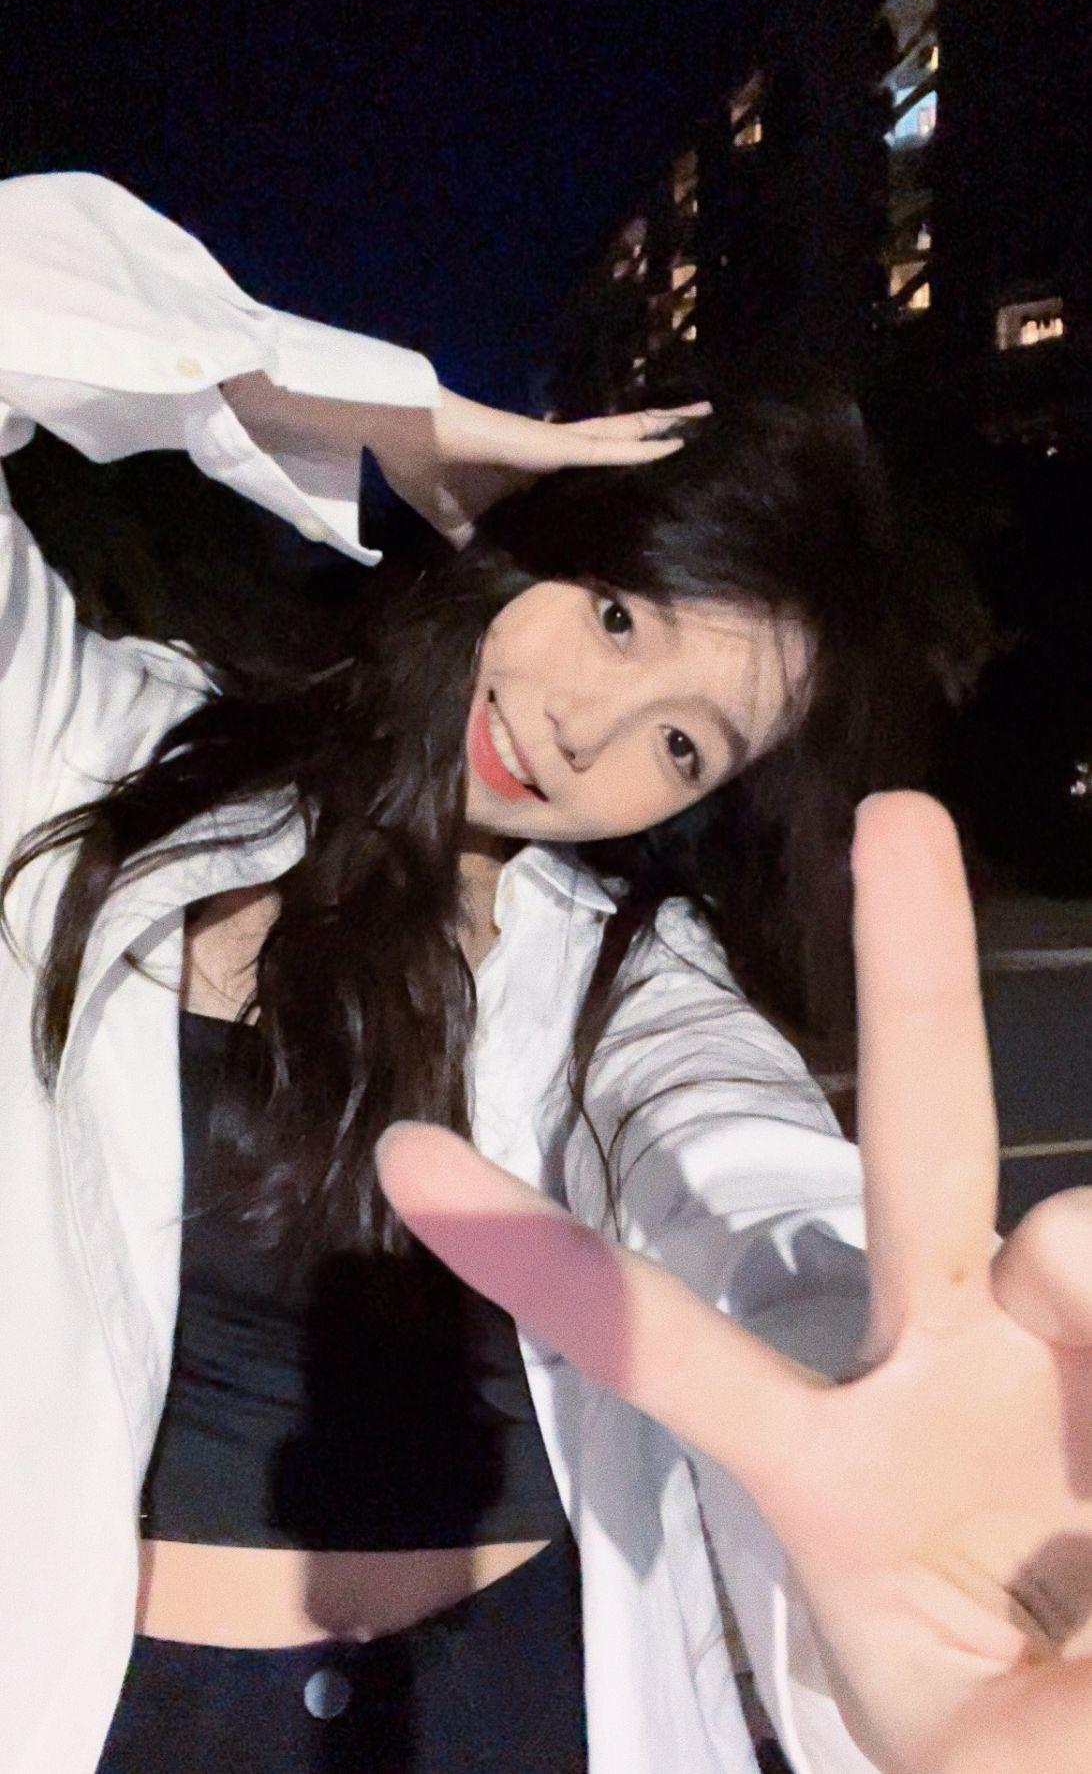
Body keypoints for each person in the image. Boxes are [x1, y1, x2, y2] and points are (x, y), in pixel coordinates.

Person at [0, 170, 975, 1774]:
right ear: (537, 526)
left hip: (510, 1711)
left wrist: (894, 1387)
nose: (589, 730)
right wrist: (364, 412)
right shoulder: (105, 753)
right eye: (616, 614)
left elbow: (747, 1188)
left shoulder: (628, 982)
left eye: (684, 743)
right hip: (121, 1711)